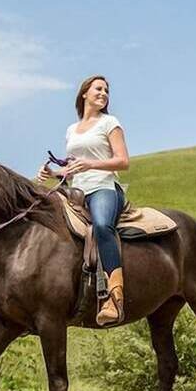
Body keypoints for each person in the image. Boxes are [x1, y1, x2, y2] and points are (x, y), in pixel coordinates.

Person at [37, 75, 130, 325]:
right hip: (75, 192)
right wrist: (53, 173)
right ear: (84, 94)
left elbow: (123, 161)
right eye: (98, 89)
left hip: (103, 188)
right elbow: (72, 168)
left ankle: (114, 297)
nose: (104, 93)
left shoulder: (110, 122)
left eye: (107, 90)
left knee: (101, 226)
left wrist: (91, 164)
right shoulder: (71, 130)